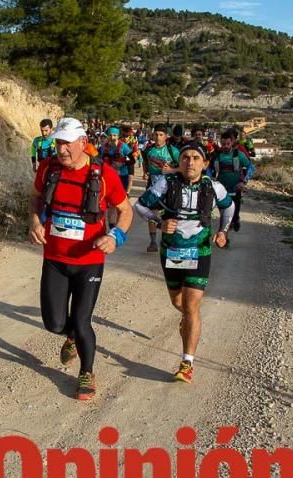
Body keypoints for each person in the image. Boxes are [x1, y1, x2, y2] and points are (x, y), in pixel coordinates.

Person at [29, 117, 133, 400]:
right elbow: (36, 198)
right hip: (54, 257)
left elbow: (125, 211)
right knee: (54, 324)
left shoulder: (104, 174)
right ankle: (70, 336)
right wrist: (35, 221)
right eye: (58, 143)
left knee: (83, 319)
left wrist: (115, 237)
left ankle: (87, 372)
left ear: (83, 144)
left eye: (67, 144)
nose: (61, 150)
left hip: (89, 261)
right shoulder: (49, 169)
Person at [134, 142, 234, 383]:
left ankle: (186, 362)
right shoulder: (166, 183)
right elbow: (140, 205)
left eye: (196, 158)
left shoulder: (213, 187)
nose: (190, 162)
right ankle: (189, 320)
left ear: (205, 163)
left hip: (199, 250)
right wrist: (159, 223)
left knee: (191, 304)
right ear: (179, 162)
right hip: (172, 250)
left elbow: (228, 207)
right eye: (186, 157)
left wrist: (223, 232)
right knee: (178, 301)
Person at [141, 124, 180, 252]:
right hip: (153, 184)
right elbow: (146, 162)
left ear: (166, 136)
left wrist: (171, 170)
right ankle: (153, 242)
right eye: (156, 135)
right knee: (152, 212)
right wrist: (146, 172)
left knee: (171, 213)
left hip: (169, 186)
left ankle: (170, 240)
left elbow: (183, 168)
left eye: (161, 135)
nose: (158, 137)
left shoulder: (173, 151)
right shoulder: (148, 149)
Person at [211, 128, 255, 232]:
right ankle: (224, 233)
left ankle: (235, 220)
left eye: (227, 144)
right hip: (221, 187)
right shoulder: (217, 155)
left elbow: (250, 167)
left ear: (232, 142)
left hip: (236, 187)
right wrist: (210, 178)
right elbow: (209, 168)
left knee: (234, 211)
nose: (225, 146)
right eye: (223, 144)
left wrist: (243, 182)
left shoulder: (238, 154)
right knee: (223, 213)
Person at [100, 126, 134, 226]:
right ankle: (111, 226)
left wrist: (122, 162)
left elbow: (131, 161)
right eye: (110, 135)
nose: (112, 137)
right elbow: (98, 160)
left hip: (122, 177)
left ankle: (120, 224)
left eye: (114, 135)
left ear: (118, 136)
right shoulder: (103, 147)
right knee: (110, 205)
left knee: (119, 204)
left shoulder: (123, 147)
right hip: (108, 177)